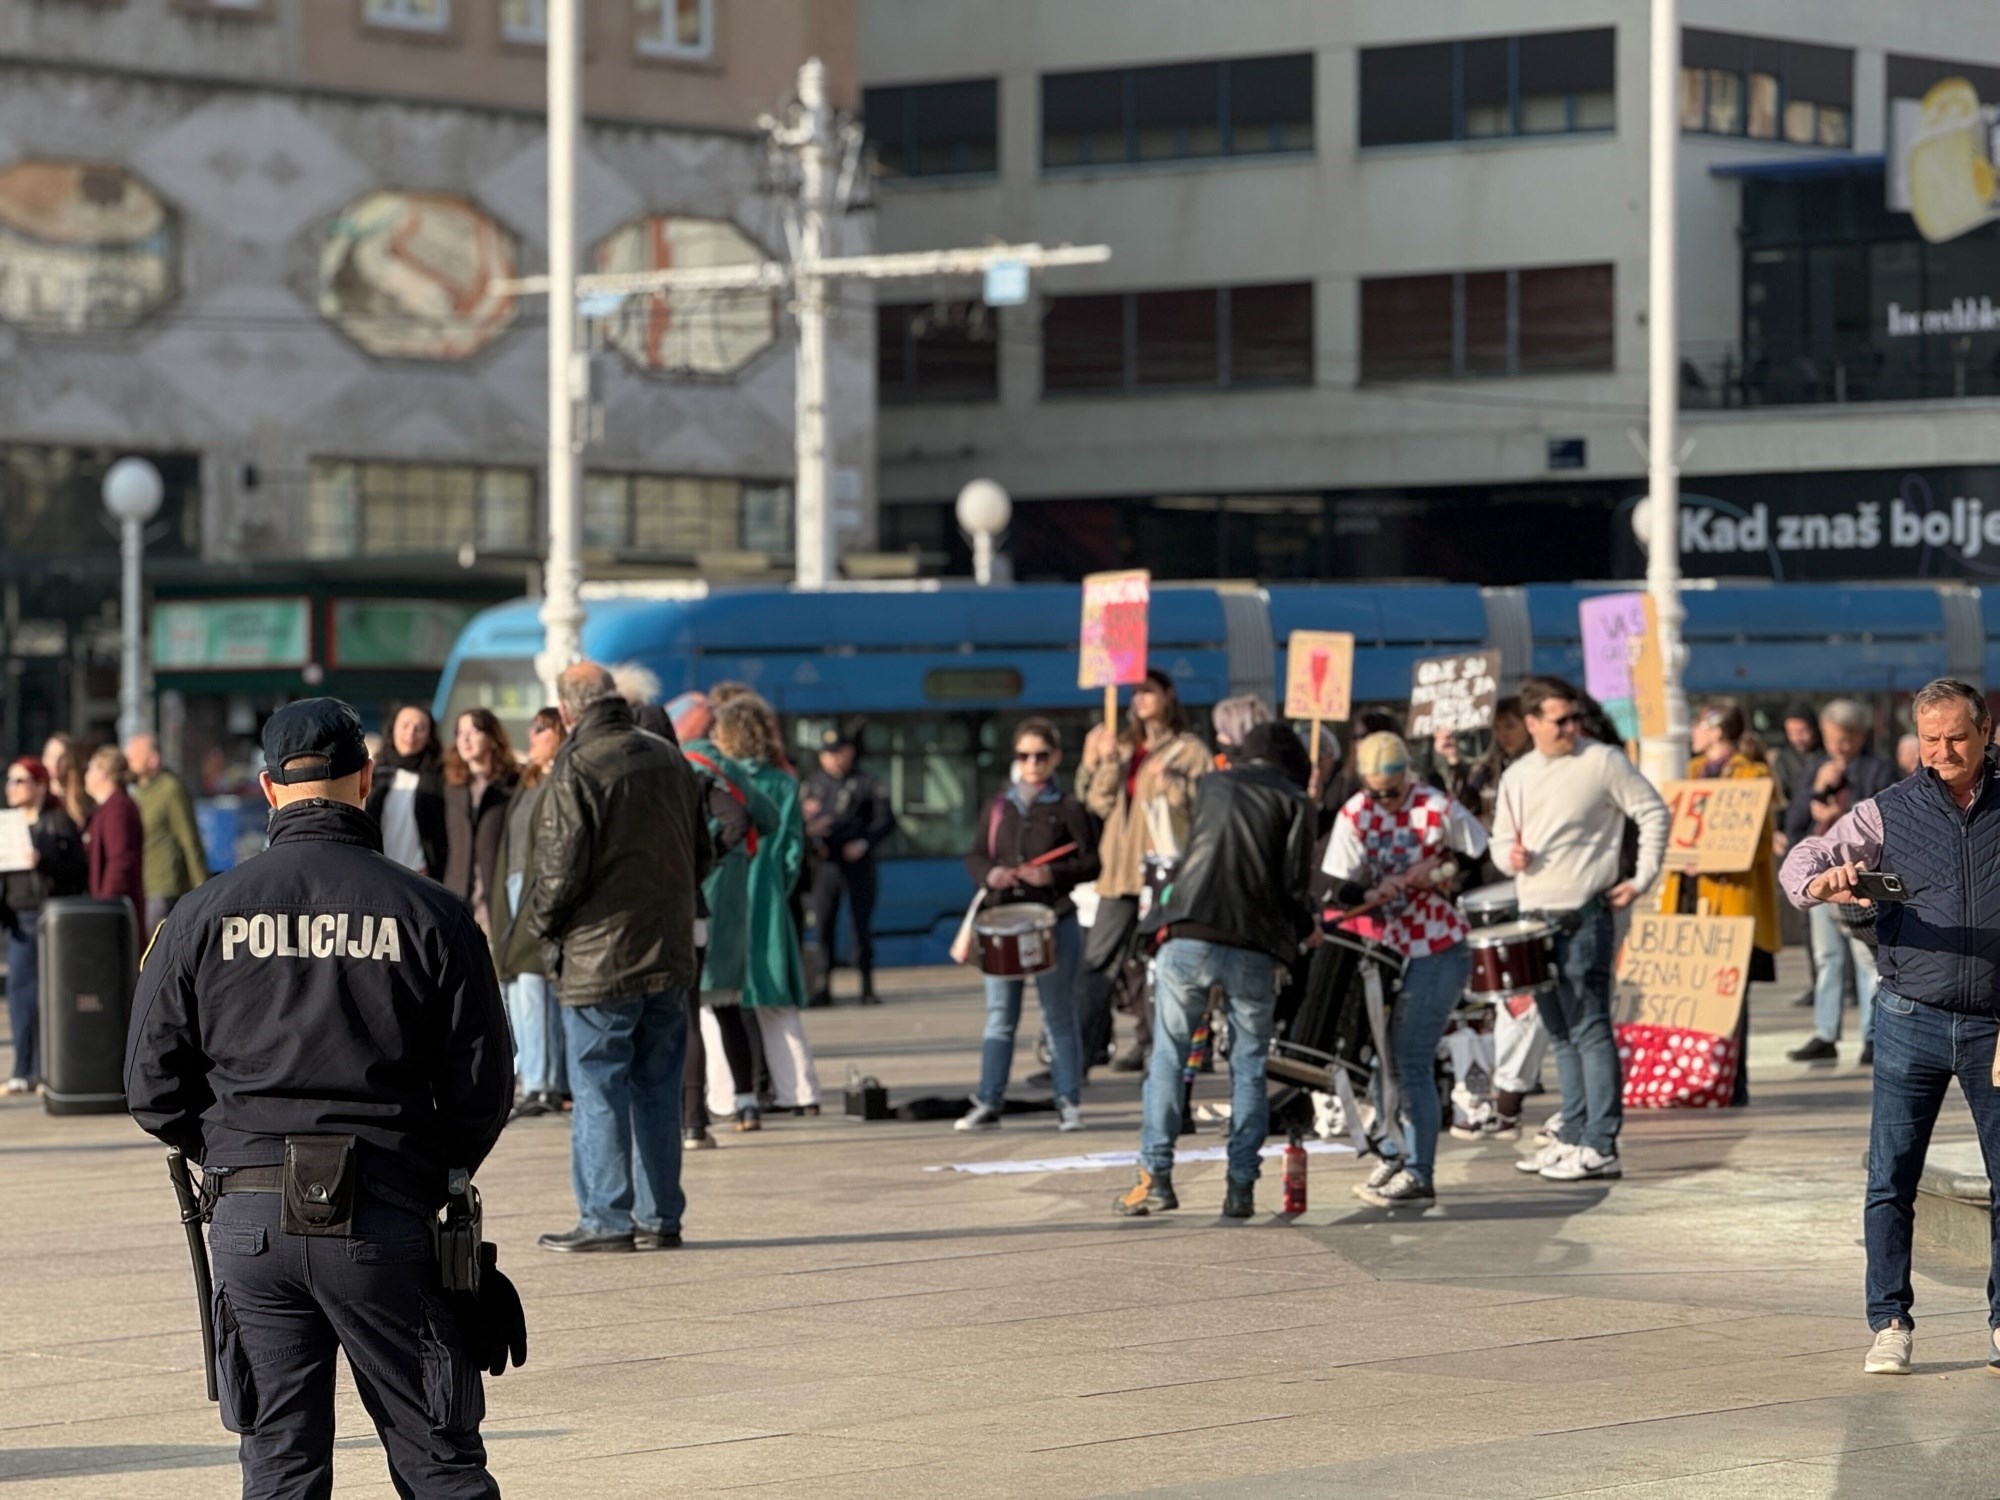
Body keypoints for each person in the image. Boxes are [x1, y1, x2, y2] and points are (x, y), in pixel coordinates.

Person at [123, 698, 514, 1495]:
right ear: (365, 780)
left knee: (280, 1469)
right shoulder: (432, 913)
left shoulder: (201, 915)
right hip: (385, 1216)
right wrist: (417, 1167)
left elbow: (149, 1084)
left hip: (250, 1223)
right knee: (439, 1462)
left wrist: (234, 1148)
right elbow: (484, 1088)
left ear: (268, 791)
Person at [1779, 678, 2000, 1377]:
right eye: (1930, 740)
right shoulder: (1887, 811)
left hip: (1996, 1026)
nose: (1941, 752)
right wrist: (1822, 884)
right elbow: (1802, 860)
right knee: (1890, 1178)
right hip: (1911, 1017)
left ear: (1986, 730)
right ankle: (1890, 1320)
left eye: (1956, 738)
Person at [529, 663, 712, 1253]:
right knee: (658, 1085)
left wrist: (540, 929)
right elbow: (703, 854)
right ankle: (660, 1218)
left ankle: (606, 1218)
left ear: (565, 713)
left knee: (599, 1085)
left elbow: (558, 875)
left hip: (598, 957)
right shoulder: (668, 756)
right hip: (668, 949)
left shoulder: (577, 765)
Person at [1114, 722, 1317, 1220]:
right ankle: (1241, 1187)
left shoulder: (1212, 784)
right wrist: (1305, 928)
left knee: (1168, 1056)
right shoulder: (1296, 802)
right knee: (1247, 1066)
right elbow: (1293, 883)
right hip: (1253, 943)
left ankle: (1155, 1179)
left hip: (1187, 930)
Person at [1493, 676, 1669, 1183]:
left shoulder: (1601, 760)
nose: (1571, 727)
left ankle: (1601, 1143)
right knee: (1558, 1031)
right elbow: (1499, 843)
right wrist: (1511, 856)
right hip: (1533, 918)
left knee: (1590, 1028)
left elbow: (1652, 812)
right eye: (1559, 720)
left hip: (1584, 914)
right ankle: (1571, 1132)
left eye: (1573, 718)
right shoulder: (1518, 774)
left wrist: (1640, 879)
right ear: (1532, 724)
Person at [1322, 732, 1489, 1207]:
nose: (1385, 802)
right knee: (1381, 1056)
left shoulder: (1437, 807)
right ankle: (1394, 1151)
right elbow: (1336, 886)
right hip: (1383, 950)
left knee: (1410, 1053)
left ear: (1407, 778)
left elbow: (1479, 857)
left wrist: (1443, 871)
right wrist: (1372, 890)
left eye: (1392, 792)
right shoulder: (1355, 813)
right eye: (1376, 793)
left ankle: (1420, 1171)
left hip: (1437, 945)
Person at [960, 718, 1101, 1133]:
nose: (1032, 764)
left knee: (1059, 1014)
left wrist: (1051, 875)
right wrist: (991, 875)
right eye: (1024, 756)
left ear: (1055, 757)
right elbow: (973, 856)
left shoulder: (1069, 808)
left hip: (1052, 921)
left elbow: (1092, 862)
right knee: (1000, 1015)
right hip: (1002, 921)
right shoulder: (998, 805)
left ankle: (1067, 1100)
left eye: (1041, 756)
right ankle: (989, 1099)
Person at [1077, 668, 1211, 1073]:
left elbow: (1206, 807)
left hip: (1164, 875)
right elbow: (1096, 804)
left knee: (1162, 966)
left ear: (1168, 695)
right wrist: (1104, 765)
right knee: (1096, 963)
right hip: (1118, 874)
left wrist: (1171, 782)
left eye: (1148, 691)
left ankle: (1165, 1054)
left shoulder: (1189, 750)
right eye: (1135, 692)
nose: (1139, 699)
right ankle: (1078, 1057)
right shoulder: (1123, 745)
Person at [711, 697, 825, 1115]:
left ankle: (724, 1096)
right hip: (769, 896)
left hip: (729, 894)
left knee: (718, 1002)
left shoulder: (723, 781)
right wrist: (779, 882)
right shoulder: (783, 781)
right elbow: (795, 848)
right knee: (777, 1001)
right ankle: (802, 1091)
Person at [1661, 706, 1780, 1106]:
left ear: (1713, 729)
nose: (1692, 732)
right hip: (1689, 898)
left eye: (1696, 724)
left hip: (1730, 901)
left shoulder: (1752, 774)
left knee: (1730, 1000)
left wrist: (1717, 858)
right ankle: (1698, 1079)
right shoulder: (1691, 771)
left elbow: (1761, 844)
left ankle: (1733, 1082)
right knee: (1693, 997)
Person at [673, 692, 773, 1138]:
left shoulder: (681, 765)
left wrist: (707, 852)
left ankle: (691, 1114)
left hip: (694, 891)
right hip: (734, 895)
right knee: (730, 1004)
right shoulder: (730, 767)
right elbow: (763, 818)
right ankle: (748, 1103)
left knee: (689, 1009)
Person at [1785, 699, 1897, 1066]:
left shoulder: (1879, 770)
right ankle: (1825, 1031)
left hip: (1859, 882)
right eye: (1832, 738)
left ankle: (1871, 1035)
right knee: (1827, 958)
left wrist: (1841, 816)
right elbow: (1794, 821)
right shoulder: (1819, 766)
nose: (1838, 746)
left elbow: (1885, 820)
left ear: (1860, 735)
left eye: (1845, 739)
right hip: (1822, 880)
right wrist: (1817, 788)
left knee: (1867, 962)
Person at [490, 707, 567, 1121]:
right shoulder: (530, 780)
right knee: (517, 989)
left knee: (535, 988)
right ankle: (530, 1078)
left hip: (540, 889)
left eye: (540, 729)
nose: (532, 736)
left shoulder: (562, 778)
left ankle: (544, 1083)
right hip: (514, 886)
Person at [2, 757, 86, 1092]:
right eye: (9, 781)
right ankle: (24, 1069)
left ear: (39, 785)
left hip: (49, 915)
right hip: (16, 916)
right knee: (19, 993)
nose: (12, 787)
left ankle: (46, 1069)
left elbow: (77, 870)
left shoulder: (56, 822)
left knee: (48, 993)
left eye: (20, 781)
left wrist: (44, 860)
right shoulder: (8, 824)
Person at [803, 729, 896, 1007]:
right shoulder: (813, 785)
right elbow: (799, 823)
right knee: (823, 926)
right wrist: (813, 839)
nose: (833, 759)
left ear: (849, 752)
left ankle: (866, 986)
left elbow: (886, 821)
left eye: (838, 753)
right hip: (826, 865)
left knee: (860, 926)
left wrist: (864, 843)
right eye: (827, 754)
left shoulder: (867, 782)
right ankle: (823, 987)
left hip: (858, 864)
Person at [442, 708, 519, 937]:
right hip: (457, 899)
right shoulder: (450, 786)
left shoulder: (512, 784)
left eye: (473, 731)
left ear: (492, 737)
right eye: (459, 732)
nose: (465, 739)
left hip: (498, 900)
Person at [125, 732, 209, 937]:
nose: (128, 763)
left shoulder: (170, 789)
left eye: (133, 758)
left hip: (163, 888)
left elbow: (189, 840)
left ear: (153, 760)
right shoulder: (137, 791)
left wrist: (203, 890)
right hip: (142, 887)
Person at [366, 705, 448, 880]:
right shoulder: (375, 774)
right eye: (405, 725)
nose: (411, 734)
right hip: (380, 876)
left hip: (422, 878)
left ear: (430, 735)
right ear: (392, 729)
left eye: (419, 728)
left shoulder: (441, 778)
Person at [82, 746, 146, 933]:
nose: (86, 774)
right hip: (107, 908)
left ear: (105, 773)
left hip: (114, 914)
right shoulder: (104, 809)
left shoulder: (118, 809)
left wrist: (105, 907)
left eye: (91, 768)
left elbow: (120, 862)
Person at [1770, 703, 1821, 814]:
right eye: (1791, 733)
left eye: (1802, 732)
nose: (1797, 738)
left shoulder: (1826, 754)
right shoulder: (1784, 759)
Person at [41, 733, 94, 830]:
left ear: (71, 760)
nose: (54, 763)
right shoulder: (39, 794)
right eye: (50, 756)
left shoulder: (84, 796)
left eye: (62, 757)